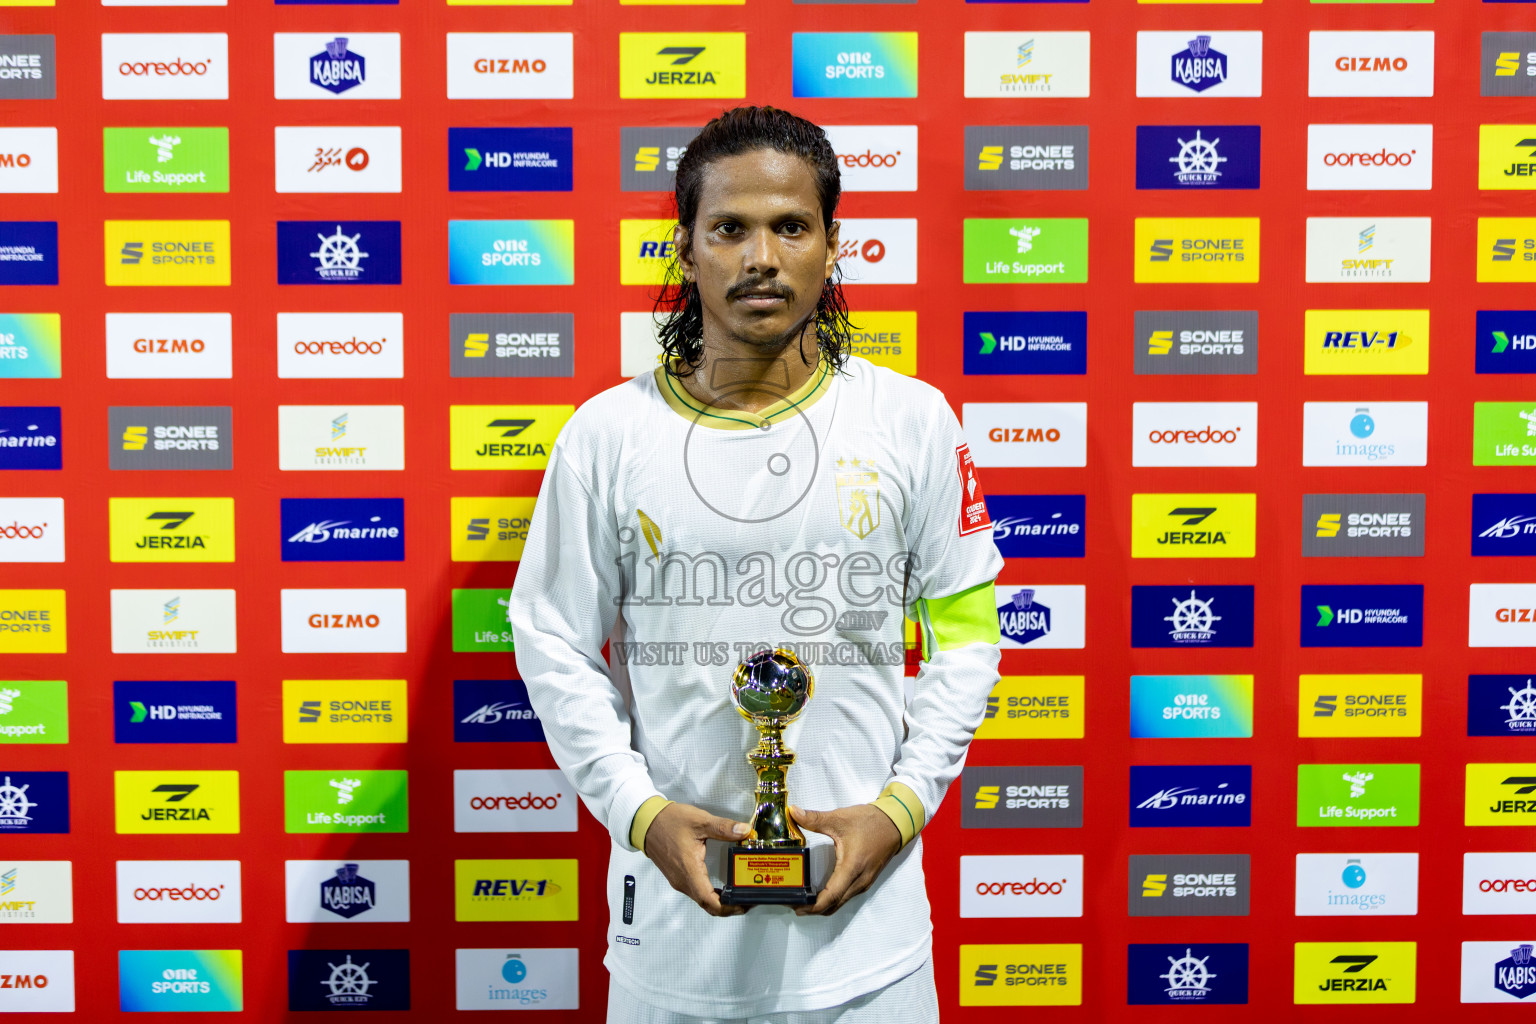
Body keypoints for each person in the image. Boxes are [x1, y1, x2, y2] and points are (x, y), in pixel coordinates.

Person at [507, 105, 1004, 1024]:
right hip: (677, 956)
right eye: (730, 227)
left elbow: (969, 634)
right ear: (687, 251)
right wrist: (639, 814)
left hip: (871, 955)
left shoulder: (913, 422)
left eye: (790, 226)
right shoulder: (607, 437)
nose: (760, 257)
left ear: (832, 246)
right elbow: (551, 641)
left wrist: (900, 808)